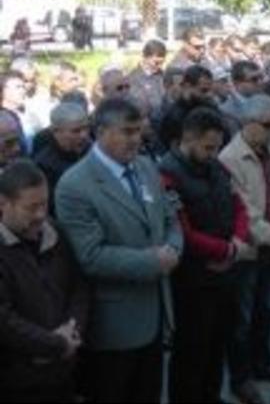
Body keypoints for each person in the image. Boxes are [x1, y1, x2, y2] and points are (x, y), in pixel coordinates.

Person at [54, 98, 183, 403]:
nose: (136, 139)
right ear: (100, 132)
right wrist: (153, 261)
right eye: (127, 131)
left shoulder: (146, 166)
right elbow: (90, 255)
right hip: (113, 326)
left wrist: (175, 249)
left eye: (139, 130)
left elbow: (169, 219)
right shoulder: (75, 185)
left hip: (156, 314)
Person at [160, 108, 251, 403]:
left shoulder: (216, 167)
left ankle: (211, 396)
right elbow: (182, 229)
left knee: (217, 345)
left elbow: (238, 204)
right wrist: (225, 249)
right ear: (188, 139)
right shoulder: (167, 173)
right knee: (192, 351)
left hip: (226, 270)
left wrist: (236, 241)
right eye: (208, 147)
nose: (214, 153)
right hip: (194, 278)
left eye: (217, 147)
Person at [219, 94, 270, 401]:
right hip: (250, 253)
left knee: (265, 311)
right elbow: (244, 210)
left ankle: (263, 362)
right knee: (242, 318)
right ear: (248, 123)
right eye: (268, 125)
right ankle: (241, 379)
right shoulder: (230, 158)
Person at [0, 160, 89, 403]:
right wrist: (56, 344)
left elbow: (78, 288)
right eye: (31, 208)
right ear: (3, 204)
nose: (41, 215)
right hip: (18, 381)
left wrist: (73, 329)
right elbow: (5, 321)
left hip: (63, 373)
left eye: (44, 204)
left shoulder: (56, 232)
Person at [33, 103, 90, 200]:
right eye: (76, 131)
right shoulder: (43, 166)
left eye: (86, 128)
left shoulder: (95, 151)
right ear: (56, 132)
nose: (84, 135)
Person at [157, 65, 219, 151]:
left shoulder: (211, 108)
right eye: (203, 90)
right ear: (187, 86)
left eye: (210, 90)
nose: (209, 95)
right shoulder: (173, 116)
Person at [221, 60, 264, 135]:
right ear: (237, 83)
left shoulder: (265, 98)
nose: (260, 82)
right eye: (254, 79)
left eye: (261, 78)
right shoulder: (227, 112)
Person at [127, 39, 168, 115]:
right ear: (145, 57)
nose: (159, 66)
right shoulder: (133, 79)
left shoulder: (163, 75)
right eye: (156, 63)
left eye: (162, 63)